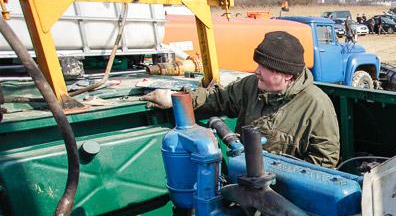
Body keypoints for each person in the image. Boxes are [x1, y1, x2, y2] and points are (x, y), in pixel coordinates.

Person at [142, 31, 340, 168]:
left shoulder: (317, 106)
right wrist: (177, 100)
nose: (256, 71)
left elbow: (324, 162)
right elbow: (217, 99)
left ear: (286, 75)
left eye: (263, 67)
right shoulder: (250, 86)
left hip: (285, 201)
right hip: (245, 184)